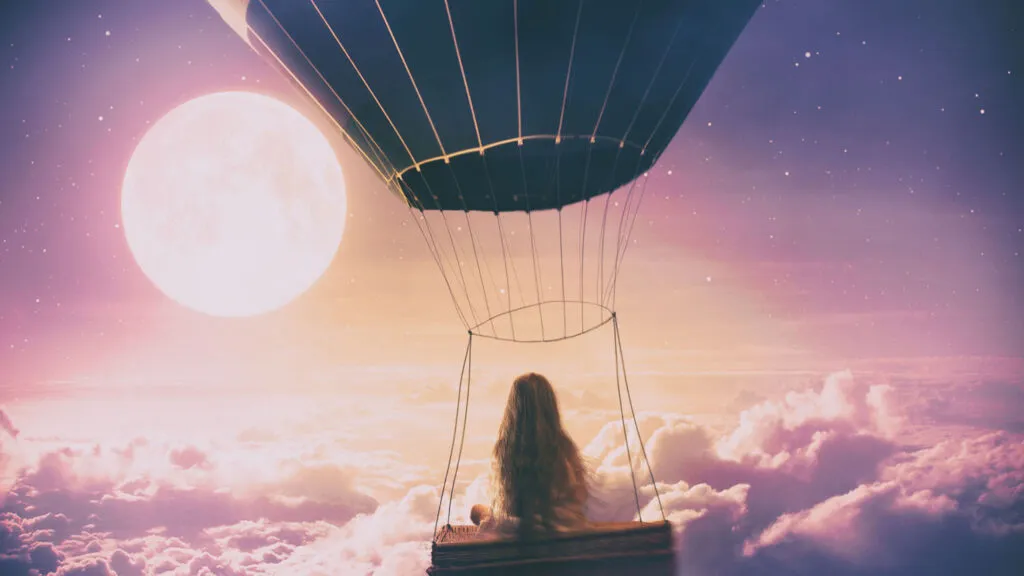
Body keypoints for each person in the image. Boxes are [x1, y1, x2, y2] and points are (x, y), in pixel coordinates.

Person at [471, 372, 590, 538]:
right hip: (563, 527)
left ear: (513, 407)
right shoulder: (564, 446)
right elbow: (580, 496)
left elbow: (505, 504)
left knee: (477, 511)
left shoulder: (506, 448)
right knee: (482, 512)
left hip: (522, 529)